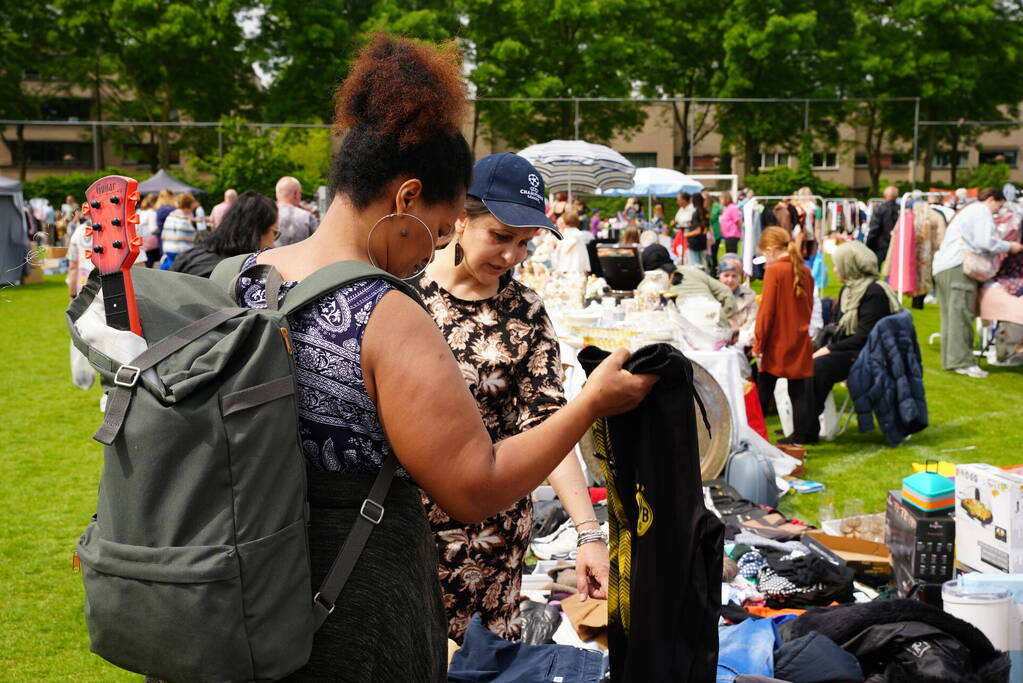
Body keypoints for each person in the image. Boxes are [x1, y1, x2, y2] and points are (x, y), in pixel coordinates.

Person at [229, 35, 654, 681]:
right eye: (444, 222)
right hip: (351, 600)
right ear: (406, 199)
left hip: (247, 585)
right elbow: (473, 487)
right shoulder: (387, 308)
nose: (436, 244)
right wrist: (593, 401)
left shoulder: (244, 275)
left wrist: (586, 528)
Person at [415, 152, 609, 642]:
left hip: (493, 540)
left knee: (483, 663)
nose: (511, 257)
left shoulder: (524, 310)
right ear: (461, 218)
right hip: (404, 532)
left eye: (524, 243)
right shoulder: (404, 292)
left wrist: (588, 533)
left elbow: (549, 425)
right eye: (500, 237)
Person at [801, 241, 901, 441]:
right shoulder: (848, 290)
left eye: (838, 265)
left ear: (851, 266)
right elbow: (839, 327)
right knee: (799, 359)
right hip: (849, 348)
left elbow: (864, 336)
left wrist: (829, 349)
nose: (835, 269)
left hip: (867, 353)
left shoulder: (875, 293)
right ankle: (800, 423)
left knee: (818, 367)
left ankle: (806, 431)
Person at [933, 187, 1023, 378]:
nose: (999, 210)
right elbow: (985, 242)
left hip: (946, 267)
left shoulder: (969, 210)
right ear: (992, 199)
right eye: (999, 205)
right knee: (961, 316)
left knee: (951, 317)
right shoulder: (981, 212)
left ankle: (952, 360)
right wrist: (1009, 246)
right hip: (960, 267)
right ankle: (962, 362)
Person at [753, 226, 815, 445]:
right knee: (798, 391)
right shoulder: (804, 270)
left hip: (777, 342)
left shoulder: (775, 271)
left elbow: (766, 311)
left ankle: (754, 435)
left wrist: (759, 341)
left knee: (763, 391)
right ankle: (799, 438)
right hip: (800, 339)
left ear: (770, 249)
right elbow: (810, 306)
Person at [171, 191, 278, 277]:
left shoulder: (187, 257)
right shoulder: (247, 279)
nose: (274, 243)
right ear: (258, 233)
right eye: (275, 232)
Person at [718, 253, 757, 343]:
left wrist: (737, 335)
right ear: (719, 276)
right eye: (726, 275)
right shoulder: (709, 294)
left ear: (740, 277)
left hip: (741, 340)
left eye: (734, 276)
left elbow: (751, 321)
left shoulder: (750, 295)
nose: (730, 280)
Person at [159, 193, 200, 269]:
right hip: (181, 251)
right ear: (189, 205)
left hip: (168, 248)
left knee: (168, 268)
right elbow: (192, 237)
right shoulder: (184, 219)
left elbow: (164, 234)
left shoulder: (170, 215)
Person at [275, 176, 319, 246]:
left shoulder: (266, 215)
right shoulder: (307, 216)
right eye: (300, 193)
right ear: (295, 194)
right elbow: (317, 243)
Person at [866, 185, 900, 266]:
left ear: (884, 196)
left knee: (874, 268)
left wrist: (868, 244)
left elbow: (874, 229)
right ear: (896, 196)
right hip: (896, 245)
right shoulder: (901, 209)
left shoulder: (879, 209)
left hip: (880, 246)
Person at [685, 192, 709, 269]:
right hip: (703, 242)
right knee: (703, 264)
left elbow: (698, 231)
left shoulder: (696, 213)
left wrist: (687, 234)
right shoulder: (706, 212)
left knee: (695, 266)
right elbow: (705, 227)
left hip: (694, 242)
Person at [671, 191, 694, 259]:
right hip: (681, 233)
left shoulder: (692, 209)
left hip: (689, 234)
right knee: (677, 249)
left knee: (686, 252)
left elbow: (690, 221)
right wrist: (674, 222)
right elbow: (677, 219)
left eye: (678, 200)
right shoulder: (681, 209)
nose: (677, 202)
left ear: (683, 200)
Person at [719, 191, 743, 255]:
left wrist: (741, 230)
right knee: (729, 254)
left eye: (721, 199)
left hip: (733, 235)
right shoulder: (727, 208)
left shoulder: (732, 207)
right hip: (728, 236)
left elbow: (737, 220)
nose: (720, 201)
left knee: (732, 254)